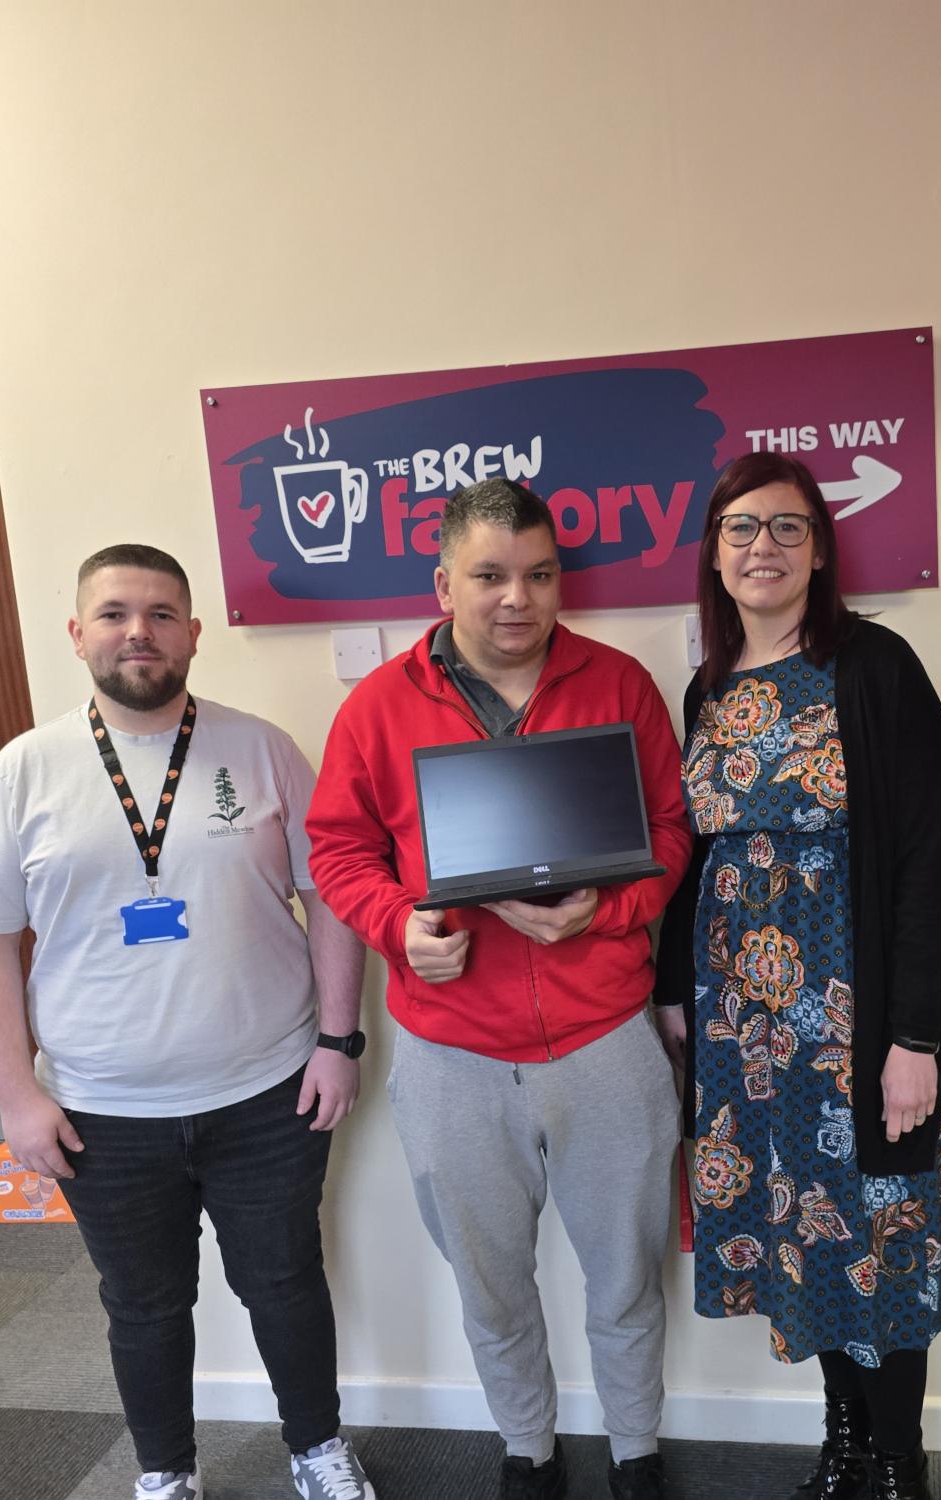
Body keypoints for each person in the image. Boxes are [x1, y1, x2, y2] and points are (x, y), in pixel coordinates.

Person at [0, 544, 375, 1500]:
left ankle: (317, 1450)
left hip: (268, 1091)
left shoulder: (260, 748)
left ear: (192, 632)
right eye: (115, 613)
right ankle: (167, 1475)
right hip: (101, 1108)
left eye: (162, 613)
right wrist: (17, 1098)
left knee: (286, 1284)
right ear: (78, 633)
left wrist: (340, 1041)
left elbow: (332, 896)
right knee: (142, 1306)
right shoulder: (26, 770)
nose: (139, 631)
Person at [304, 479, 691, 1500]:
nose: (516, 598)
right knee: (489, 1282)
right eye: (488, 576)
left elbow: (668, 834)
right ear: (443, 583)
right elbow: (337, 850)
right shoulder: (378, 707)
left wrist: (600, 915)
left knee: (624, 1275)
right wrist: (399, 928)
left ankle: (635, 1450)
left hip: (604, 1037)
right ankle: (527, 1449)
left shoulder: (618, 686)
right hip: (451, 1051)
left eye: (538, 575)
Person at [655, 453, 941, 1500]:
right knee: (807, 1239)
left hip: (852, 1015)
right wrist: (672, 992)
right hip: (747, 1029)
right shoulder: (708, 687)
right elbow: (691, 857)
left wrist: (913, 1034)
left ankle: (894, 1467)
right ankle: (842, 1443)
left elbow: (927, 862)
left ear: (820, 548)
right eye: (740, 529)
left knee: (876, 1228)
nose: (762, 548)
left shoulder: (873, 668)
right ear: (713, 551)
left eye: (785, 528)